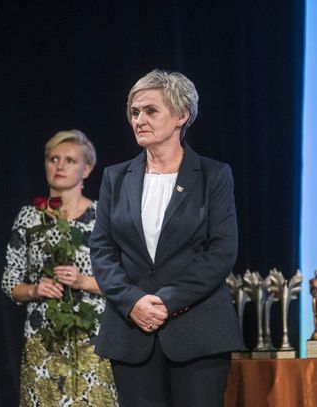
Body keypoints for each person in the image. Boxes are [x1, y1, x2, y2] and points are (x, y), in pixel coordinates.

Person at [89, 69, 243, 407]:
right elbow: (101, 250)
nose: (139, 120)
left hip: (198, 330)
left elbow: (221, 251)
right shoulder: (116, 177)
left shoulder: (214, 175)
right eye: (134, 112)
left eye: (150, 111)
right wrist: (133, 302)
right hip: (131, 330)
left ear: (181, 116)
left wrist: (166, 301)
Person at [1, 130, 117, 406]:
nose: (60, 166)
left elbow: (124, 282)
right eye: (53, 159)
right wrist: (34, 289)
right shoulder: (30, 217)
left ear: (86, 169)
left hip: (93, 340)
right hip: (44, 340)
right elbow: (9, 282)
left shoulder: (103, 217)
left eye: (70, 160)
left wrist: (82, 281)